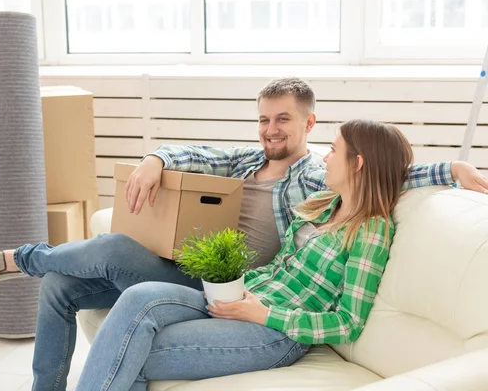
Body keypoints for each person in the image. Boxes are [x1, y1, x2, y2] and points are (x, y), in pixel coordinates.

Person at [0, 78, 488, 391]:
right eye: (264, 119)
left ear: (310, 126)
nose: (272, 129)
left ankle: (25, 257)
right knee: (105, 294)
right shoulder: (321, 200)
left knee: (128, 325)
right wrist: (155, 158)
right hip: (233, 289)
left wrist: (451, 170)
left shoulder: (352, 215)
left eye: (332, 147)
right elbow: (200, 153)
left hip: (273, 326)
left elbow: (349, 316)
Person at [72, 119, 409, 390]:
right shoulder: (324, 205)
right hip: (244, 300)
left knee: (131, 349)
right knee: (137, 297)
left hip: (276, 334)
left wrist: (265, 315)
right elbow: (279, 266)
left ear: (359, 163)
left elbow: (348, 323)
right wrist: (235, 288)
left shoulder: (370, 231)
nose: (325, 158)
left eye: (334, 150)